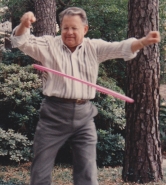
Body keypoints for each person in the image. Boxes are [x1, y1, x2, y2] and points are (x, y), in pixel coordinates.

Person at [10, 7, 161, 185]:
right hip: (53, 114)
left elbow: (121, 48)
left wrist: (143, 42)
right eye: (65, 28)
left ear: (85, 29)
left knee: (87, 171)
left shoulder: (94, 47)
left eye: (74, 28)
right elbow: (21, 41)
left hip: (84, 116)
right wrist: (23, 24)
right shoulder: (49, 45)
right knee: (40, 170)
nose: (69, 32)